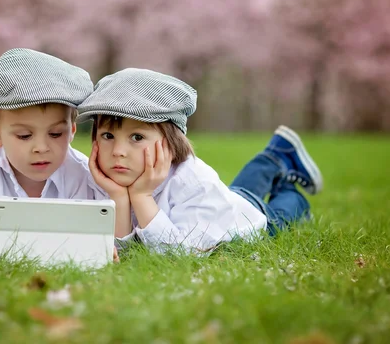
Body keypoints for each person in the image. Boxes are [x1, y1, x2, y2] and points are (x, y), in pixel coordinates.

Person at [76, 68, 323, 254]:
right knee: (237, 193)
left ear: (170, 143)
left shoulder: (194, 182)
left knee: (277, 215)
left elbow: (178, 254)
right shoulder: (105, 178)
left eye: (137, 137)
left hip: (244, 220)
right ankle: (275, 156)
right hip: (223, 203)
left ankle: (291, 191)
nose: (118, 151)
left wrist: (141, 197)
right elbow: (121, 254)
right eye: (107, 136)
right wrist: (118, 198)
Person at [0, 48, 103, 255]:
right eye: (24, 136)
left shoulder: (81, 174)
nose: (41, 148)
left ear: (72, 130)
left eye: (55, 134)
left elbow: (88, 240)